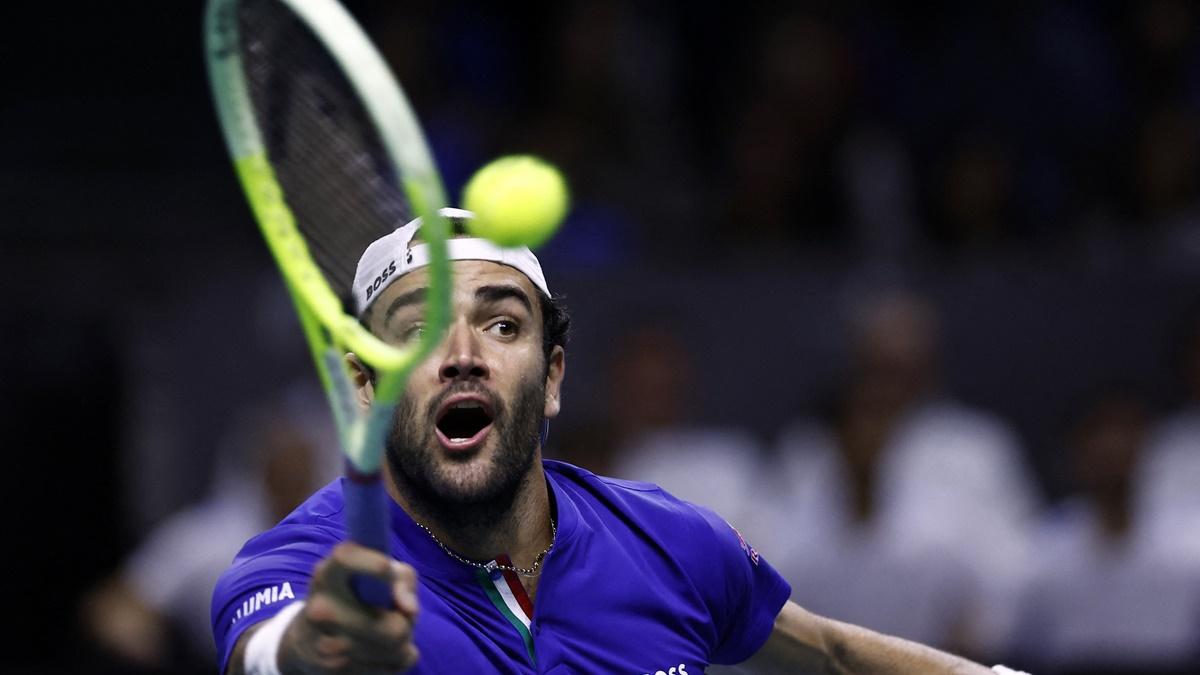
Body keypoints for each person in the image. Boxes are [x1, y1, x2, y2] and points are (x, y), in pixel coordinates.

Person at [211, 209, 1028, 674]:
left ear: (555, 375)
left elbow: (835, 654)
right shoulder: (292, 566)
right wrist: (322, 642)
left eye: (502, 323)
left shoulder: (671, 541)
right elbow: (271, 648)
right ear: (363, 386)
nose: (461, 354)